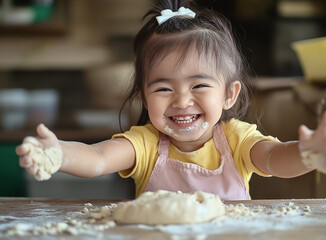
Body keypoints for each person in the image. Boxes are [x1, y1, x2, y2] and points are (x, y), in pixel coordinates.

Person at [16, 0, 326, 200]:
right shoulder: (146, 143)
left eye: (199, 85)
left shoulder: (236, 140)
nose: (181, 100)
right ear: (144, 98)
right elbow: (98, 159)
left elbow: (275, 159)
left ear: (229, 94)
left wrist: (307, 154)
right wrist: (59, 154)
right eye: (164, 89)